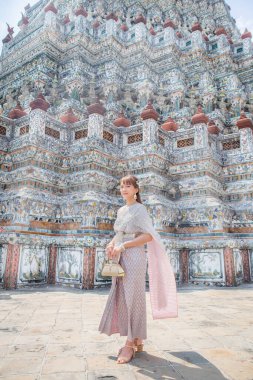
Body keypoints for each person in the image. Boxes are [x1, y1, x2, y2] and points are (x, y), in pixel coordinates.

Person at [98, 175, 178, 364]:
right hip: (119, 255)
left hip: (134, 257)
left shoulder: (140, 209)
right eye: (122, 186)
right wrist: (110, 245)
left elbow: (148, 236)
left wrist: (124, 246)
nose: (124, 189)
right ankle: (137, 338)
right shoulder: (121, 210)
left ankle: (129, 345)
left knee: (133, 297)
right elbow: (119, 234)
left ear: (136, 189)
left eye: (128, 185)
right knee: (122, 296)